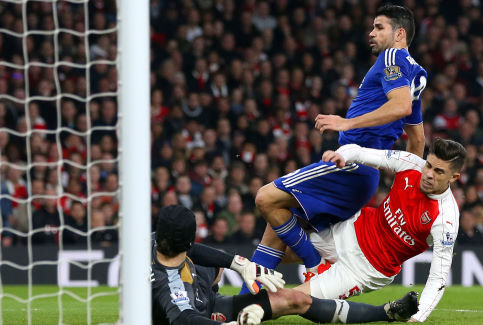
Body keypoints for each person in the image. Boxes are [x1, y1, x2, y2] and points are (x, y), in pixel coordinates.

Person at [243, 4, 428, 292]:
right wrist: (409, 192)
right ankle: (245, 302)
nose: (372, 32)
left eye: (379, 27)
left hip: (349, 167)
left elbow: (400, 106)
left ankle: (315, 265)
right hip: (365, 176)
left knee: (265, 198)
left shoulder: (392, 56)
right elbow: (417, 139)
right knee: (274, 231)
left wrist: (347, 123)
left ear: (399, 33)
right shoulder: (416, 75)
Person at [292, 138, 466, 323]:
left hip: (367, 268)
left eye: (438, 171)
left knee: (292, 300)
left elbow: (438, 276)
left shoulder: (446, 218)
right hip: (349, 231)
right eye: (429, 165)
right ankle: (258, 274)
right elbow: (359, 152)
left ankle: (259, 303)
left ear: (453, 177)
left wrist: (418, 317)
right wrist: (341, 155)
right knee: (283, 237)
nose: (429, 174)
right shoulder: (411, 164)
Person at [151, 205, 419, 324]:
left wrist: (238, 263)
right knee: (295, 300)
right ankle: (386, 313)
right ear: (187, 243)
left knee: (217, 264)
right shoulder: (172, 290)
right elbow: (186, 319)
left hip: (201, 290)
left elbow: (195, 251)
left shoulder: (152, 242)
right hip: (204, 312)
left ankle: (388, 314)